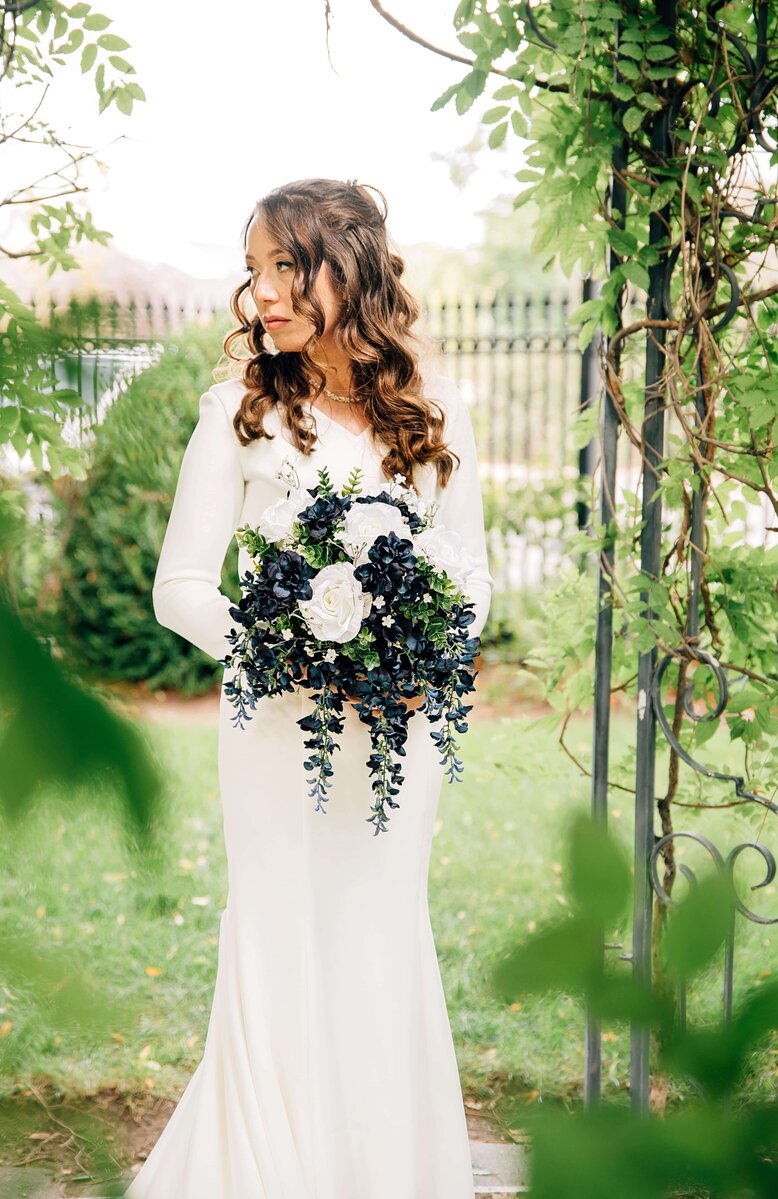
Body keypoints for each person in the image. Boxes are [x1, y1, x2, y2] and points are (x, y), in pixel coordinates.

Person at [124, 178, 493, 1198]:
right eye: (252, 270)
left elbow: (469, 573)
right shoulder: (239, 410)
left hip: (395, 740)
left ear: (351, 268)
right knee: (280, 939)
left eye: (285, 266)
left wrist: (423, 661)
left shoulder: (430, 408)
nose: (262, 294)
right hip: (280, 737)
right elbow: (180, 587)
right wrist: (284, 646)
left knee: (377, 940)